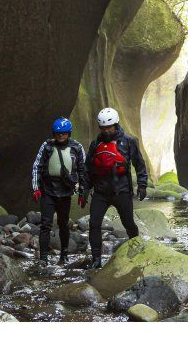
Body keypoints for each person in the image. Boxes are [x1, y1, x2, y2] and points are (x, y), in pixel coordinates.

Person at [86, 107, 148, 269]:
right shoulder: (95, 144)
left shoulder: (129, 141)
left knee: (129, 224)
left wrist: (142, 185)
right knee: (94, 224)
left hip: (122, 191)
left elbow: (139, 165)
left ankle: (136, 249)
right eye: (103, 128)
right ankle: (96, 260)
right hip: (100, 193)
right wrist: (85, 189)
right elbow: (88, 169)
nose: (106, 131)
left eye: (109, 128)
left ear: (116, 124)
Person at [31, 117, 88, 264]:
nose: (60, 136)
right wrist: (36, 188)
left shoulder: (77, 147)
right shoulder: (47, 146)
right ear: (54, 134)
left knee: (63, 224)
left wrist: (83, 191)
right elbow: (37, 166)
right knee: (45, 224)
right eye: (57, 133)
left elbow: (83, 170)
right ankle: (43, 257)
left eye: (63, 133)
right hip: (48, 191)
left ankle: (64, 254)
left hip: (66, 192)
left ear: (68, 133)